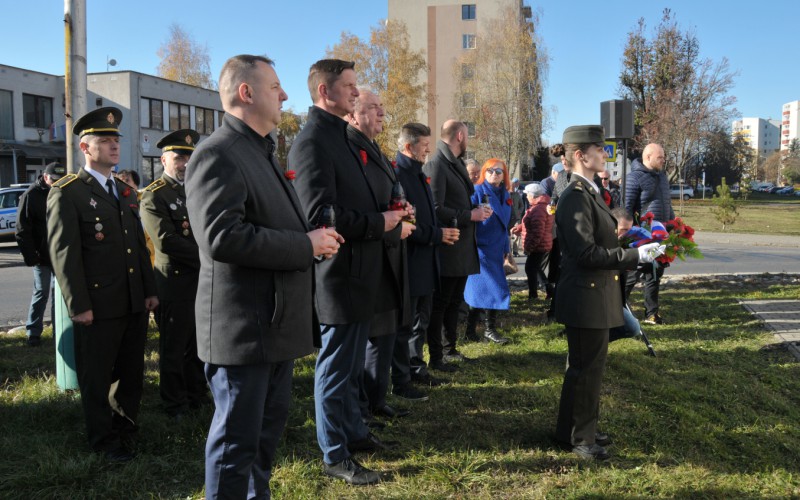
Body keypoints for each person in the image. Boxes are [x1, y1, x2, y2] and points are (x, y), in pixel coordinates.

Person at [185, 55, 342, 498]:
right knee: (235, 448)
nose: (286, 95)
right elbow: (222, 237)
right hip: (244, 332)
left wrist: (310, 236)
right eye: (276, 86)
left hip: (271, 326)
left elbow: (267, 222)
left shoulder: (260, 151)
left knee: (261, 445)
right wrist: (304, 245)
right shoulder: (217, 153)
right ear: (246, 92)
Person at [291, 59, 408, 486]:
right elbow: (319, 215)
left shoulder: (340, 137)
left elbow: (360, 198)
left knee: (352, 366)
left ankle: (354, 433)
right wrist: (380, 222)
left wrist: (391, 211)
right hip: (338, 277)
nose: (356, 94)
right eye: (350, 87)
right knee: (335, 368)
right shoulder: (312, 143)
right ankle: (334, 453)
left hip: (361, 273)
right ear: (326, 92)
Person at [46, 106, 159, 463]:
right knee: (97, 377)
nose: (114, 147)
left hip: (132, 302)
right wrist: (78, 305)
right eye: (105, 141)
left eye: (116, 140)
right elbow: (65, 255)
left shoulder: (124, 192)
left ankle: (125, 427)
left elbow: (139, 249)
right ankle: (103, 441)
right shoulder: (68, 192)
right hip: (97, 304)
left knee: (130, 372)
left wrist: (149, 290)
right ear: (85, 148)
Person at [552, 125, 662, 461]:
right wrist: (634, 256)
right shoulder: (574, 196)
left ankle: (574, 430)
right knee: (586, 369)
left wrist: (637, 245)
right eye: (600, 150)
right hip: (585, 297)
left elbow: (601, 242)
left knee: (587, 367)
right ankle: (580, 439)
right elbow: (585, 253)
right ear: (581, 156)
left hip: (595, 294)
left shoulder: (589, 191)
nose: (606, 155)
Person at [344, 89, 418, 422]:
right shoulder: (348, 147)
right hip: (368, 257)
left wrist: (403, 210)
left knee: (386, 333)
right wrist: (392, 226)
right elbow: (356, 209)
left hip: (390, 256)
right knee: (365, 341)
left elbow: (386, 196)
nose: (382, 114)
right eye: (373, 108)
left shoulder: (374, 149)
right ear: (352, 114)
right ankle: (360, 407)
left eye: (382, 108)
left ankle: (377, 398)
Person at [140, 128, 207, 419]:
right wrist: (210, 257)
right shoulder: (154, 196)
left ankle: (196, 395)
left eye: (190, 157)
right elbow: (166, 241)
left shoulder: (195, 190)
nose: (186, 163)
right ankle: (174, 403)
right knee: (174, 347)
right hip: (175, 282)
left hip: (200, 281)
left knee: (197, 345)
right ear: (164, 159)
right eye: (180, 157)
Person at [394, 123, 459, 388]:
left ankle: (416, 368)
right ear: (409, 146)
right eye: (424, 145)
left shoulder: (418, 173)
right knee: (408, 324)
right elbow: (405, 225)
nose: (429, 150)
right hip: (411, 261)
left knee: (420, 320)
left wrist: (438, 232)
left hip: (425, 260)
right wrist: (437, 235)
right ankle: (408, 373)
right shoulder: (399, 175)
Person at [423, 120, 491, 370]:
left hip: (460, 247)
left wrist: (475, 210)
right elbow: (434, 208)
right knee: (441, 303)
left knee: (454, 301)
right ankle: (438, 356)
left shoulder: (453, 163)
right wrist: (469, 216)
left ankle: (450, 349)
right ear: (460, 135)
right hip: (448, 247)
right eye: (467, 136)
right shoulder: (437, 164)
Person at [463, 159, 512, 345]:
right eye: (490, 170)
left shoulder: (505, 194)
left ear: (504, 175)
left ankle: (472, 330)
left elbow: (504, 225)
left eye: (499, 171)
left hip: (497, 248)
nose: (495, 174)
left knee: (484, 290)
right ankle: (489, 330)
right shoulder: (477, 191)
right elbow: (468, 217)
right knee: (489, 289)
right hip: (481, 248)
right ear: (485, 172)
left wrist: (507, 249)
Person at [624, 143, 674, 325]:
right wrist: (629, 234)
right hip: (640, 237)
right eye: (660, 157)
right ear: (648, 157)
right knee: (632, 276)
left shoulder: (662, 177)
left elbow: (667, 203)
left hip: (661, 234)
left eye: (663, 156)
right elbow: (627, 208)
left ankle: (652, 314)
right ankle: (616, 309)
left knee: (654, 274)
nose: (663, 160)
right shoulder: (634, 178)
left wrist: (673, 224)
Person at [16, 162, 65, 346]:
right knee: (42, 292)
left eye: (59, 180)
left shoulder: (63, 191)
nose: (56, 183)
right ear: (45, 177)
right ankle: (33, 332)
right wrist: (31, 256)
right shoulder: (31, 195)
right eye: (53, 180)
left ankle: (58, 330)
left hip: (59, 255)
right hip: (41, 256)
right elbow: (22, 229)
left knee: (58, 295)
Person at [511, 182, 553, 304]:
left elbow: (537, 232)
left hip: (538, 245)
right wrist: (519, 228)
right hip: (542, 243)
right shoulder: (540, 206)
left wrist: (529, 247)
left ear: (533, 196)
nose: (526, 197)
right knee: (535, 268)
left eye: (527, 195)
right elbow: (532, 224)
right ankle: (547, 291)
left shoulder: (538, 209)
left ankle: (535, 295)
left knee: (530, 268)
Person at [509, 177, 525, 257]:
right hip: (507, 218)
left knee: (517, 235)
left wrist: (519, 212)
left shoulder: (517, 195)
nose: (512, 188)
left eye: (513, 186)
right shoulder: (505, 195)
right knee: (508, 235)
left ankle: (515, 251)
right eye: (510, 186)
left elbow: (522, 206)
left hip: (516, 218)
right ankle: (508, 251)